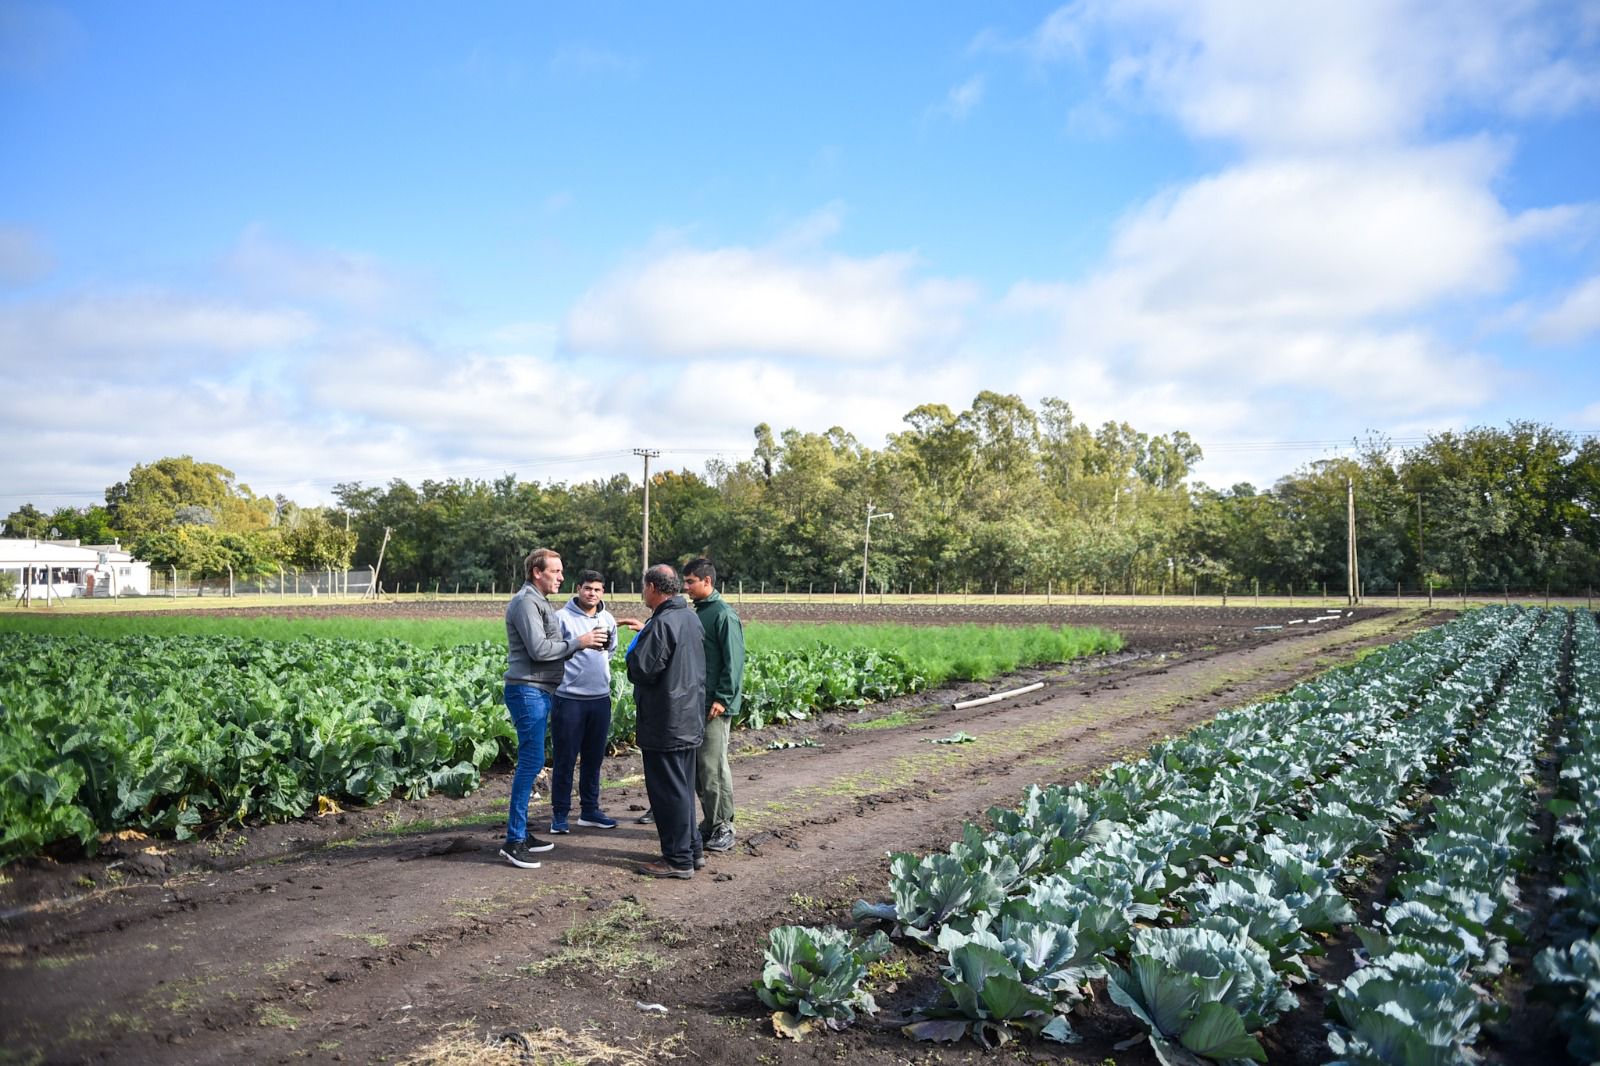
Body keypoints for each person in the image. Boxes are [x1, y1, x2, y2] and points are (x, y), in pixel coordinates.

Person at [499, 548, 607, 870]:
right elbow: (540, 649)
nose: (561, 577)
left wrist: (580, 644)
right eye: (556, 571)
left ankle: (520, 833)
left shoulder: (538, 601)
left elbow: (550, 649)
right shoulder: (525, 602)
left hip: (540, 691)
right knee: (530, 764)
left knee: (532, 763)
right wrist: (578, 642)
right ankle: (513, 841)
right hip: (527, 691)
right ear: (537, 572)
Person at [625, 564, 706, 878]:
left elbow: (641, 669)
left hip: (666, 721)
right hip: (688, 717)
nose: (643, 592)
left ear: (652, 588)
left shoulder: (663, 623)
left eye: (644, 586)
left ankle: (677, 860)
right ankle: (692, 851)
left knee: (667, 792)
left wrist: (636, 647)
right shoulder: (689, 618)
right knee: (683, 788)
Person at [550, 569, 642, 834]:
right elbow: (553, 653)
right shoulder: (561, 618)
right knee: (565, 759)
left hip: (600, 699)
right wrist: (579, 645)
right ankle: (560, 814)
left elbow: (609, 652)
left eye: (598, 589)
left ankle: (589, 810)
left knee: (594, 758)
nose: (592, 593)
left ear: (603, 592)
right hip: (568, 699)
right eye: (588, 588)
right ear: (578, 588)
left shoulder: (608, 619)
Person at [683, 557, 744, 854]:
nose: (686, 587)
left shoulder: (723, 615)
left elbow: (734, 664)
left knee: (713, 767)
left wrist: (722, 698)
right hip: (696, 702)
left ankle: (724, 826)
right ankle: (709, 822)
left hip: (714, 706)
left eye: (690, 582)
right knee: (698, 769)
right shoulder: (700, 612)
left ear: (707, 581)